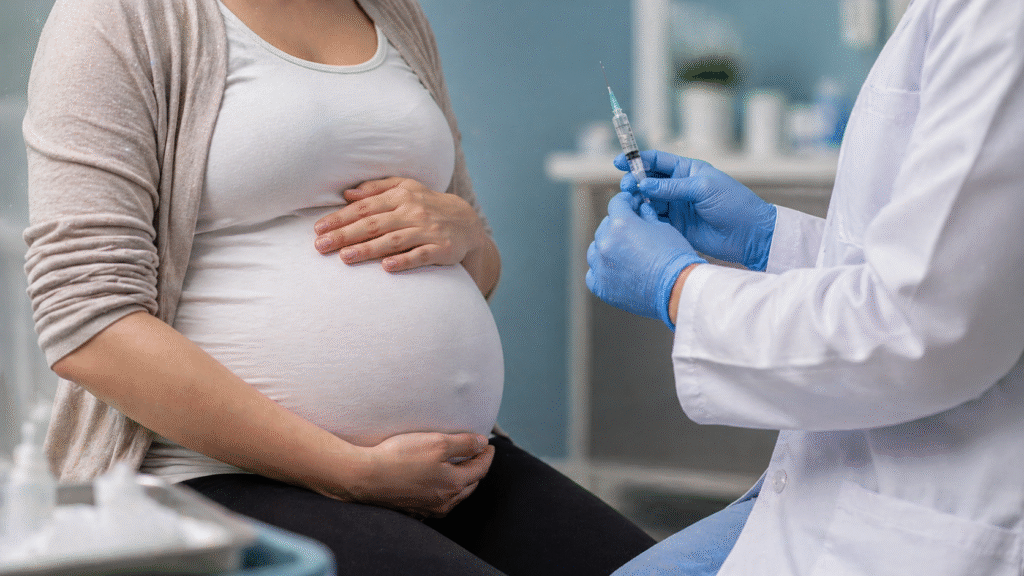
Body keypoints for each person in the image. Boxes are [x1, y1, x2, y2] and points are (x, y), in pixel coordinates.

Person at [22, 0, 655, 574]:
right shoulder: (119, 16)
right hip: (217, 476)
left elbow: (475, 268)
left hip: (453, 468)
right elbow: (87, 320)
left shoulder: (394, 15)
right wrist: (347, 472)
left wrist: (465, 235)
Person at [585, 0, 1024, 574]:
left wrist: (680, 288)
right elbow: (958, 269)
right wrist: (767, 239)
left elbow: (922, 325)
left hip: (939, 504)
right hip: (866, 475)